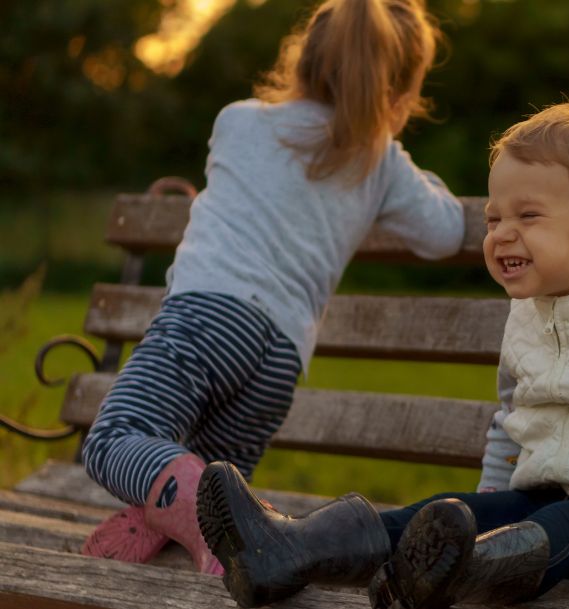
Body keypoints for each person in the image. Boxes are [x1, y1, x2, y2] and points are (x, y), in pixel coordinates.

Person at [196, 103, 569, 608]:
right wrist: (477, 514)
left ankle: (455, 577)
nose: (500, 233)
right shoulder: (526, 318)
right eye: (494, 218)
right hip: (549, 502)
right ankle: (287, 550)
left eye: (527, 216)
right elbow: (510, 424)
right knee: (443, 509)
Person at [79, 0, 463, 575]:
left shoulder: (239, 121)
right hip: (277, 363)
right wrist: (391, 147)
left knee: (115, 439)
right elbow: (446, 230)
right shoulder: (378, 161)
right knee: (220, 500)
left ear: (303, 59)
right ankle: (196, 540)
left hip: (208, 319)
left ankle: (185, 512)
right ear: (400, 90)